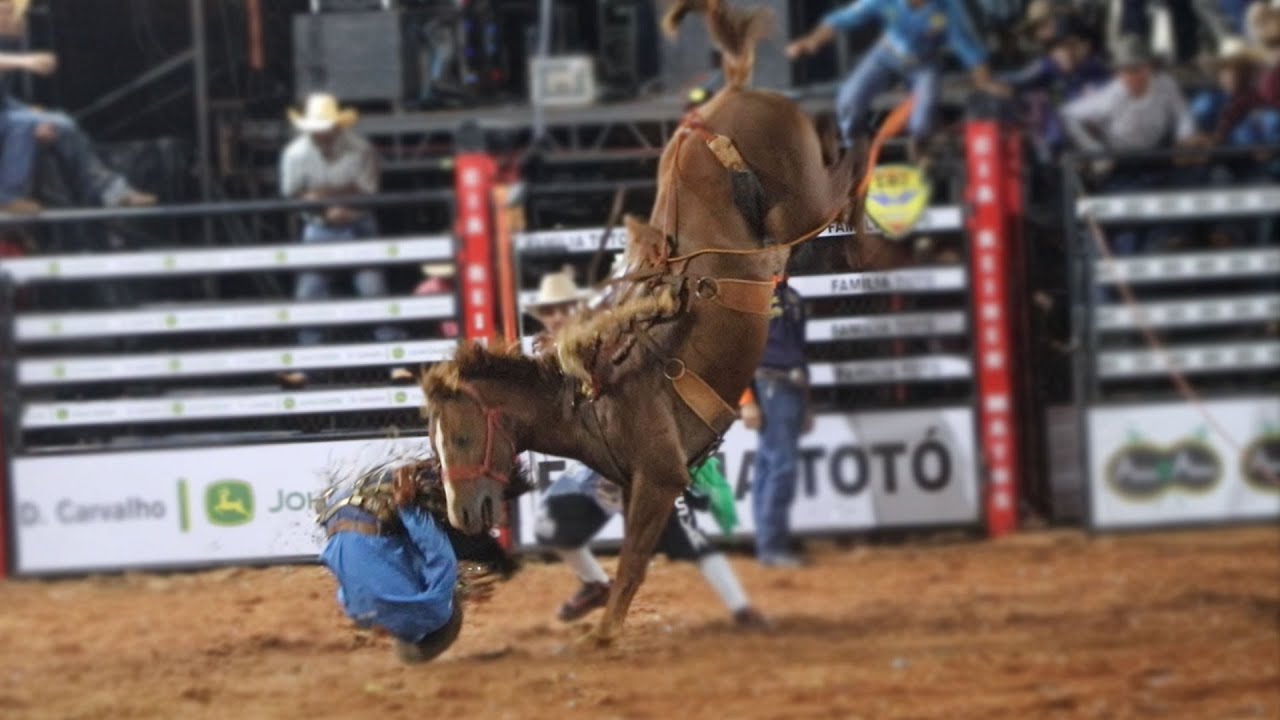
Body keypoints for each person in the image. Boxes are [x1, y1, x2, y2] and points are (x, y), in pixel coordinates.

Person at [525, 268, 766, 627]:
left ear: (576, 307)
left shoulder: (602, 334)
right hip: (601, 464)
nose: (556, 316)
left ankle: (740, 606)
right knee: (550, 525)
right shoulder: (550, 351)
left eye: (562, 308)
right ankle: (596, 584)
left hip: (638, 452)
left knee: (683, 537)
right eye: (550, 311)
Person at [278, 93, 409, 388]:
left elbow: (366, 191)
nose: (321, 134)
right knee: (309, 293)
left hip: (355, 223)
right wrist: (336, 198)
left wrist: (321, 197)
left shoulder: (359, 149)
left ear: (336, 127)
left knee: (373, 290)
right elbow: (293, 195)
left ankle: (397, 362)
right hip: (321, 225)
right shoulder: (297, 154)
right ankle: (307, 366)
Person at [785, 0, 1009, 157]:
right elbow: (846, 18)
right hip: (886, 55)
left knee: (923, 116)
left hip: (924, 64)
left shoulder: (947, 7)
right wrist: (812, 41)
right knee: (849, 98)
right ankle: (851, 147)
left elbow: (966, 45)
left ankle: (922, 154)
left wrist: (984, 79)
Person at [0, 0, 155, 214]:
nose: (10, 19)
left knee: (59, 122)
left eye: (11, 14)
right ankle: (8, 196)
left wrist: (36, 115)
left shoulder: (8, 44)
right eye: (3, 14)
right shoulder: (12, 56)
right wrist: (25, 62)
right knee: (23, 124)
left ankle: (112, 192)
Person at [740, 275, 812, 568]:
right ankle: (772, 546)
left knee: (771, 463)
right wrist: (746, 400)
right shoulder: (753, 297)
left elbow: (800, 350)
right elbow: (739, 351)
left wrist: (807, 404)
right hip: (771, 382)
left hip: (790, 383)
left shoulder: (792, 297)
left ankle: (769, 543)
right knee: (781, 465)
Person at [1004, 16, 1111, 161]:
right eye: (1059, 47)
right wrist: (990, 81)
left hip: (1096, 145)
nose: (1065, 53)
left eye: (1072, 46)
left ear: (1086, 46)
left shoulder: (1099, 72)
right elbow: (1018, 79)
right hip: (1056, 145)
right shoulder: (1048, 67)